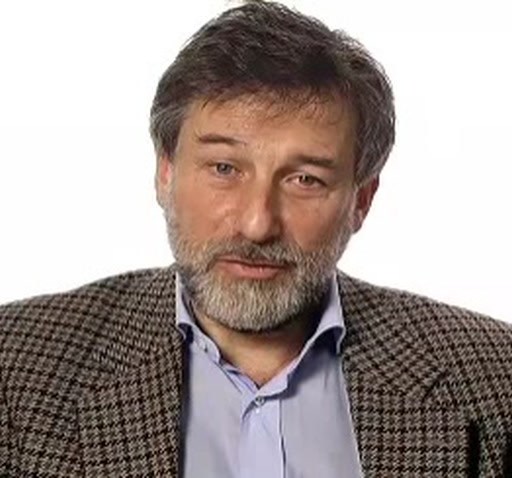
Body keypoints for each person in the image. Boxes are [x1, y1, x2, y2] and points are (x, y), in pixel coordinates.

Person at [1, 1, 511, 476]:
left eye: (305, 179)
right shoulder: (17, 367)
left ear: (361, 199)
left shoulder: (493, 375)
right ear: (165, 171)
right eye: (224, 168)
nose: (257, 224)